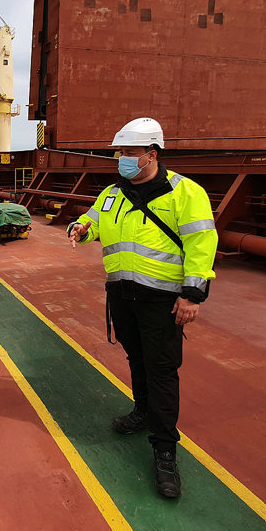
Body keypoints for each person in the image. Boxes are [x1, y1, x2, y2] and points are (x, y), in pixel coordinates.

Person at [67, 118, 217, 499]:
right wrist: (81, 227)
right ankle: (142, 411)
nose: (122, 159)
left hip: (163, 301)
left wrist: (192, 295)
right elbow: (95, 221)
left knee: (162, 370)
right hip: (123, 295)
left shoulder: (185, 193)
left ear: (151, 155)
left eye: (129, 153)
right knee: (136, 358)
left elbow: (202, 245)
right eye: (120, 153)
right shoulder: (112, 193)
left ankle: (165, 448)